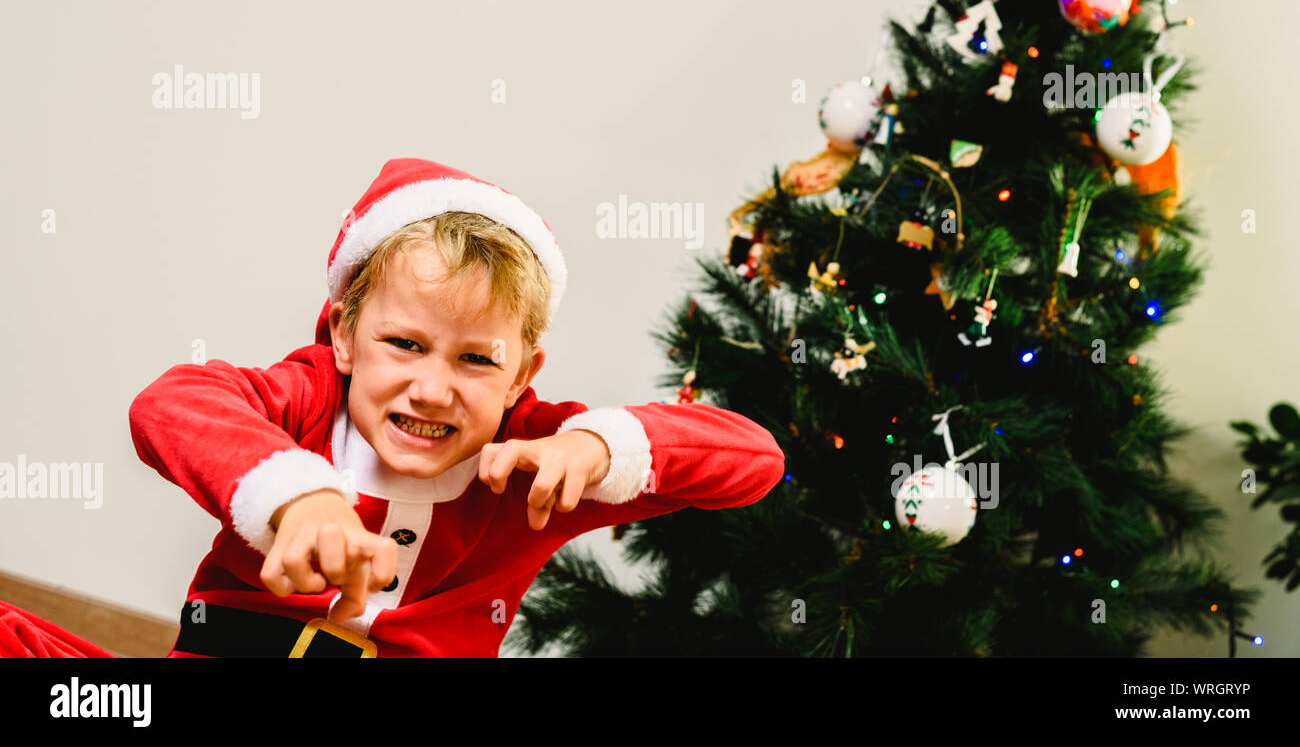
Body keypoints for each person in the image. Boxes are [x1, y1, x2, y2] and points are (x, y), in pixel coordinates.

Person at [0, 158, 785, 657]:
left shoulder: (536, 460)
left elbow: (755, 460)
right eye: (404, 344)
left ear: (522, 374)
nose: (434, 388)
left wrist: (601, 448)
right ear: (345, 333)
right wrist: (298, 497)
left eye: (477, 359)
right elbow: (170, 404)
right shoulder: (306, 399)